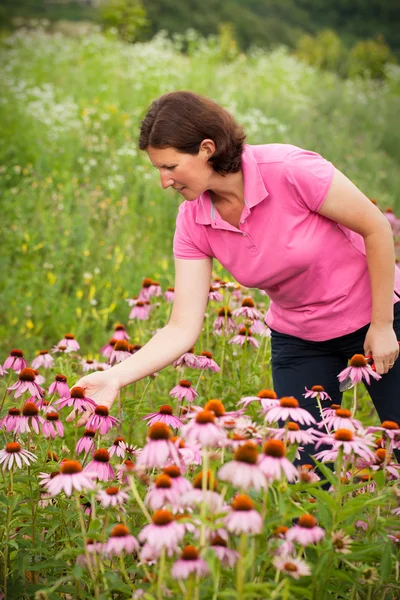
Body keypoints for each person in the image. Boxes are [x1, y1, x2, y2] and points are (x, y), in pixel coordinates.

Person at [69, 91, 400, 462]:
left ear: (207, 148)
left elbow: (376, 229)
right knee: (306, 473)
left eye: (171, 167)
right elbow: (181, 326)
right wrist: (116, 376)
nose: (164, 181)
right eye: (157, 169)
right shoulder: (192, 220)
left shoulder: (289, 168)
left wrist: (383, 323)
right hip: (300, 340)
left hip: (376, 319)